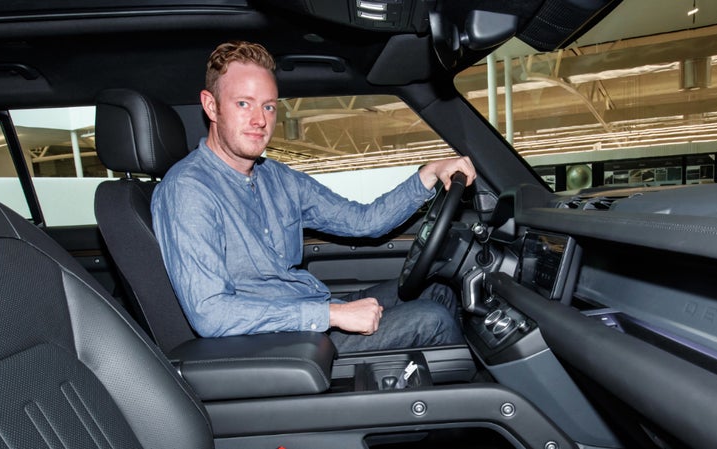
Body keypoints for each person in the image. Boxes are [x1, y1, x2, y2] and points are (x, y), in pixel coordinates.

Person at [152, 41, 477, 353]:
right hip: (275, 342)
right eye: (243, 104)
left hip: (308, 311)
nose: (260, 120)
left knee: (438, 291)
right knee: (433, 320)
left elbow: (363, 221)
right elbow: (211, 313)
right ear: (211, 106)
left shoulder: (277, 178)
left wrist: (429, 173)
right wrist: (332, 315)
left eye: (268, 106)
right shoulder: (188, 191)